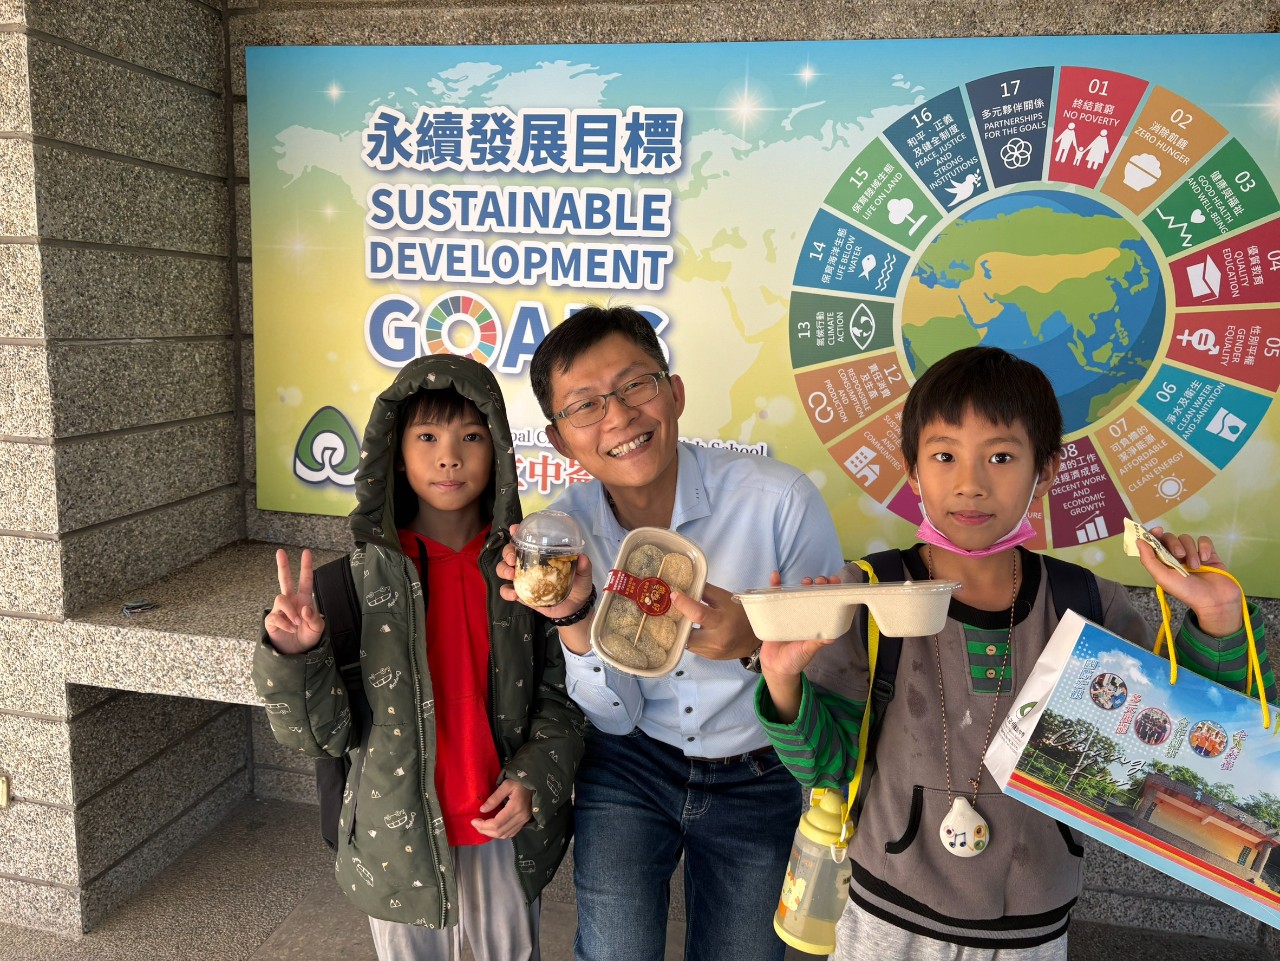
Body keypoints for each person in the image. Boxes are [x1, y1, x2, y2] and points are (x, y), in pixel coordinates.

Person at [755, 346, 1273, 960]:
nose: (971, 482)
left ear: (1045, 472)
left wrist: (1218, 619)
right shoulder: (868, 595)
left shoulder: (1088, 605)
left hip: (1030, 931)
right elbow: (825, 768)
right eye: (944, 456)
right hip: (885, 921)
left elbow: (1191, 750)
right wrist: (783, 681)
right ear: (913, 471)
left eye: (1001, 456)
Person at [497, 305, 844, 961]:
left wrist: (753, 647)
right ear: (560, 438)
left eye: (636, 385)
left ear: (675, 392)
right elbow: (611, 715)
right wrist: (573, 618)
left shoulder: (779, 501)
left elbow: (835, 679)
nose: (619, 416)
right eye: (586, 405)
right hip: (629, 761)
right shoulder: (565, 537)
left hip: (759, 767)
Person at [252, 354, 585, 961]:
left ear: (500, 451)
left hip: (502, 829)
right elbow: (319, 737)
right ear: (395, 453)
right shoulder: (348, 586)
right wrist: (294, 655)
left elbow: (567, 697)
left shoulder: (529, 574)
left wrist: (534, 778)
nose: (449, 457)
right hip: (394, 844)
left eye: (471, 437)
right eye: (427, 437)